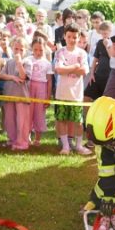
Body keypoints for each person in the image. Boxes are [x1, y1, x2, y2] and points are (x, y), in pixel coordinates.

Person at [55, 24, 91, 155]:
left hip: (76, 94)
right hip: (62, 93)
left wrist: (68, 67)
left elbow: (84, 71)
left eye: (75, 37)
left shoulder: (82, 53)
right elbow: (59, 69)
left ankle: (79, 145)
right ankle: (66, 146)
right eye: (69, 36)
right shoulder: (60, 52)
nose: (72, 39)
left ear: (78, 37)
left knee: (78, 122)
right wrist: (75, 65)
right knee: (62, 120)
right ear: (64, 36)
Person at [0, 36, 32, 151]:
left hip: (22, 96)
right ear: (12, 48)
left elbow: (24, 76)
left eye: (21, 49)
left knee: (21, 120)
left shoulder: (27, 62)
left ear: (26, 50)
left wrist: (19, 63)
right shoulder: (8, 62)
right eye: (16, 49)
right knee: (10, 119)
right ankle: (12, 139)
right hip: (9, 95)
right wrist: (13, 77)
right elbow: (2, 75)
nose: (18, 52)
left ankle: (22, 141)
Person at [28, 36, 53, 146]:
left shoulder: (47, 63)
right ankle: (26, 136)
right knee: (28, 112)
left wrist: (48, 97)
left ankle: (37, 139)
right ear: (32, 49)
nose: (38, 52)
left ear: (45, 49)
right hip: (29, 87)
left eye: (41, 50)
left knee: (39, 113)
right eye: (35, 50)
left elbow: (49, 81)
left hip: (41, 89)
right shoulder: (28, 60)